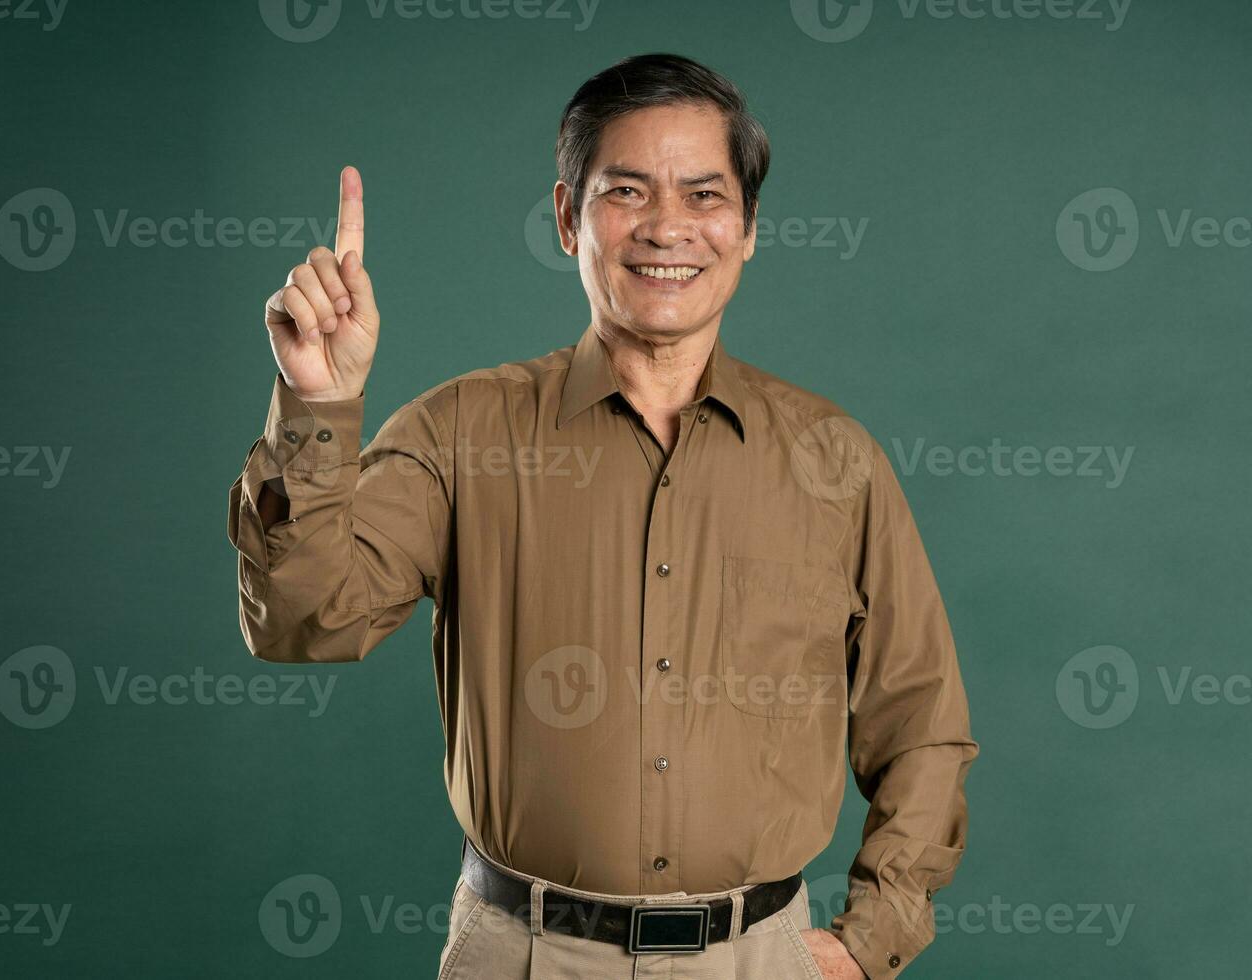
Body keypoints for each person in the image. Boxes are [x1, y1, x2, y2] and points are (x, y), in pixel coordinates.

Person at [227, 52, 978, 979]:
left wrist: (872, 940)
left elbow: (922, 723)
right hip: (521, 954)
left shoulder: (835, 459)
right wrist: (316, 408)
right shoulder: (461, 432)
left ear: (747, 228)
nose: (668, 226)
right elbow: (306, 623)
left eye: (705, 195)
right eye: (627, 190)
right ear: (566, 215)